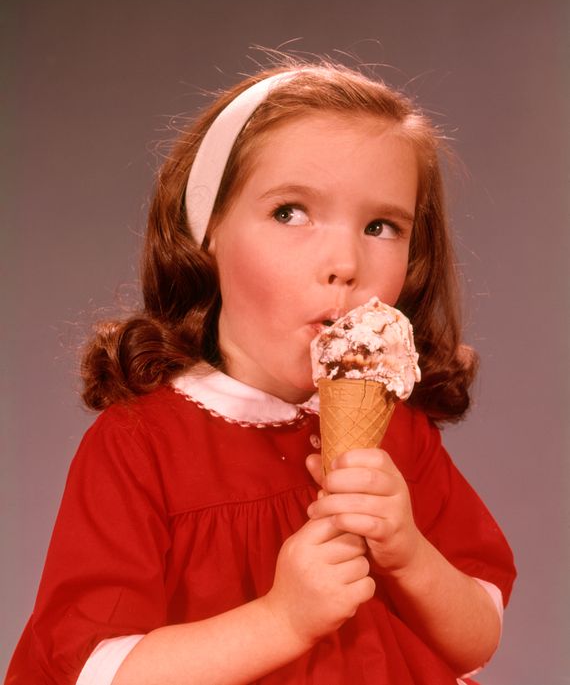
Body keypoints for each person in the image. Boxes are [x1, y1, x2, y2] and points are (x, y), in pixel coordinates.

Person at [5, 61, 516, 685]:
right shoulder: (141, 446)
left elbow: (476, 641)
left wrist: (409, 555)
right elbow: (94, 671)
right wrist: (284, 620)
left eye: (381, 227)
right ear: (207, 230)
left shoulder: (401, 436)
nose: (344, 262)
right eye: (290, 212)